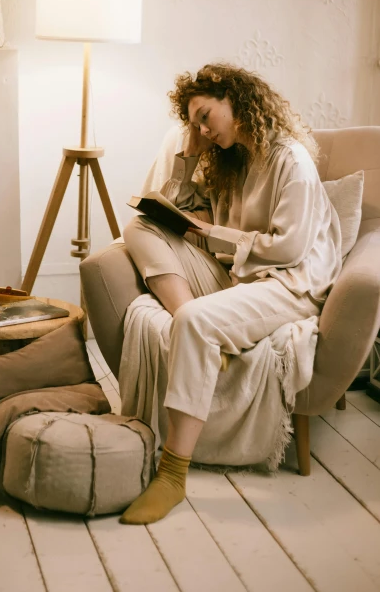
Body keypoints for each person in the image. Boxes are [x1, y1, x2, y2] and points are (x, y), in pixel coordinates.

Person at [119, 63, 342, 525]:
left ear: (234, 99)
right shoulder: (228, 160)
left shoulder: (291, 159)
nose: (201, 128)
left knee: (196, 322)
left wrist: (212, 232)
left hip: (289, 282)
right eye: (194, 123)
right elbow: (178, 210)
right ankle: (198, 326)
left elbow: (289, 247)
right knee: (138, 228)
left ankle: (172, 475)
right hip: (237, 276)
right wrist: (189, 155)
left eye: (205, 116)